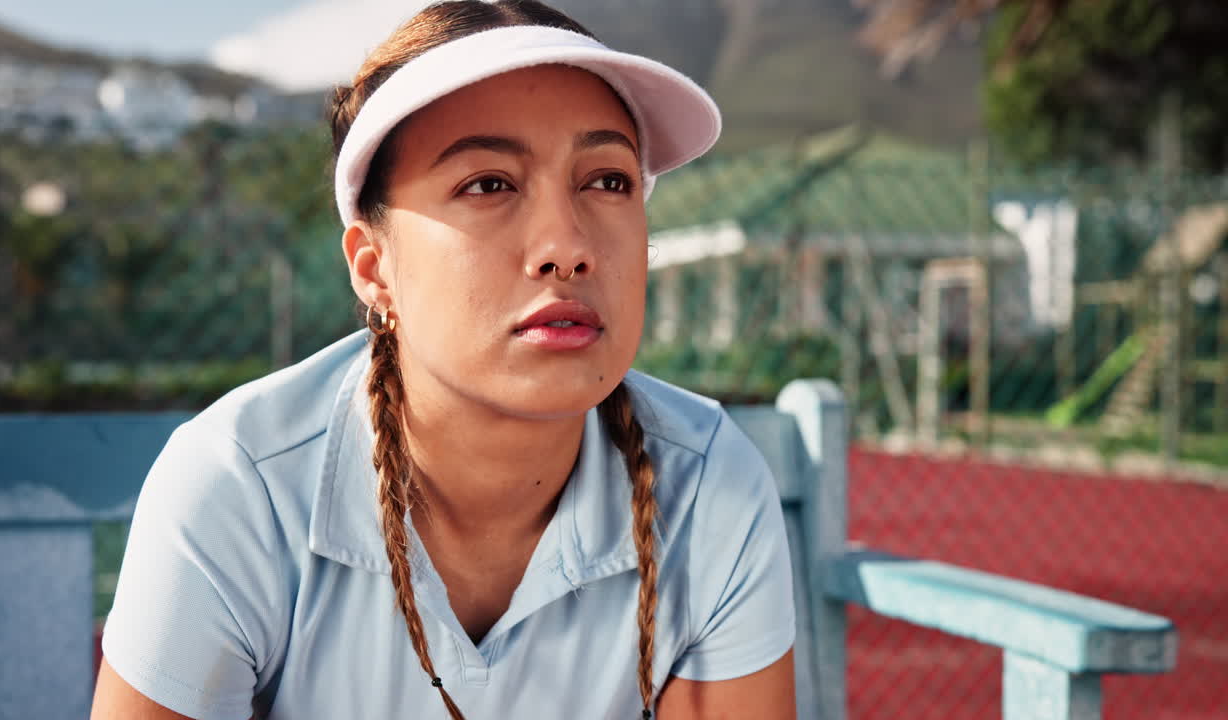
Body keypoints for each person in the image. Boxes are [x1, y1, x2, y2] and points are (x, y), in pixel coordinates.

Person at [89, 2, 796, 718]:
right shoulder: (243, 492)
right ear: (373, 268)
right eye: (488, 184)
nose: (567, 244)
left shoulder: (707, 488)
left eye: (607, 181)